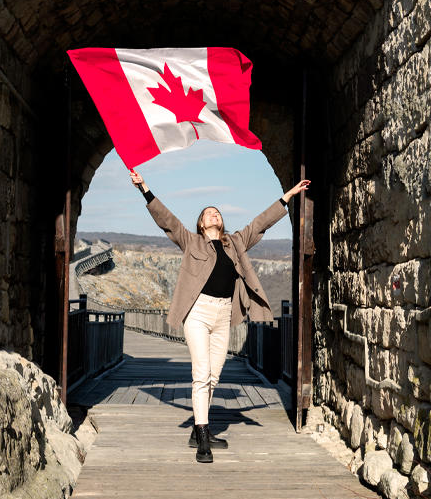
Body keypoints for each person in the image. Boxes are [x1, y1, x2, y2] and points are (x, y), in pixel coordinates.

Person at [130, 168, 311, 463]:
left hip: (223, 314)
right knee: (200, 375)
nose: (214, 215)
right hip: (198, 313)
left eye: (217, 213)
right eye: (208, 213)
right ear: (201, 224)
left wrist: (288, 196)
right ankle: (203, 439)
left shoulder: (236, 243)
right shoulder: (191, 242)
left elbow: (260, 223)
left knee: (213, 376)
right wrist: (144, 189)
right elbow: (166, 220)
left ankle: (198, 428)